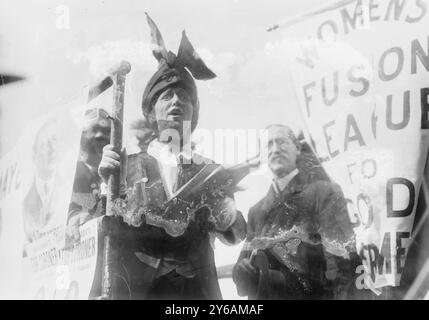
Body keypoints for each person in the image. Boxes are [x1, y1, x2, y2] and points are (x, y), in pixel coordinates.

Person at [94, 14, 246, 300]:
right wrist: (105, 186)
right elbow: (99, 232)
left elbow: (237, 233)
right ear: (151, 112)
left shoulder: (211, 172)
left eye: (184, 97)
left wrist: (228, 215)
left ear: (194, 113)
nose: (176, 102)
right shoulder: (124, 167)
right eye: (166, 96)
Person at [233, 124, 361, 299]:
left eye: (282, 142)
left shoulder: (323, 193)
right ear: (263, 156)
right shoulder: (257, 211)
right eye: (269, 145)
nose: (275, 149)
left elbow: (342, 263)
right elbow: (242, 275)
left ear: (298, 148)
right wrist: (242, 270)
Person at [66, 108, 111, 242]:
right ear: (79, 136)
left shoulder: (122, 174)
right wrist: (72, 217)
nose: (101, 136)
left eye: (108, 131)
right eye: (95, 129)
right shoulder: (68, 177)